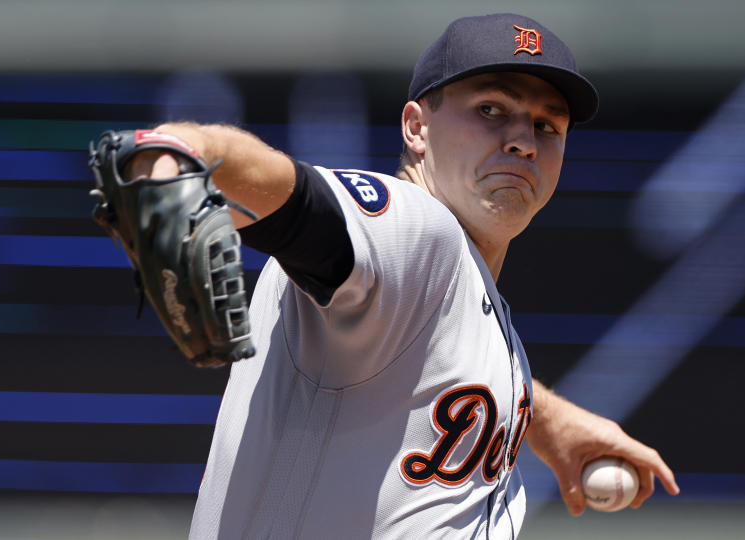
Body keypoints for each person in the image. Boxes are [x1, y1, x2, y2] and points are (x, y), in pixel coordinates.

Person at [125, 13, 679, 539]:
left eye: (547, 125)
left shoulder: (453, 294)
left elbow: (422, 364)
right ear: (415, 127)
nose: (523, 141)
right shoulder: (415, 229)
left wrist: (540, 416)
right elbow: (293, 197)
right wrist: (182, 150)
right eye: (491, 110)